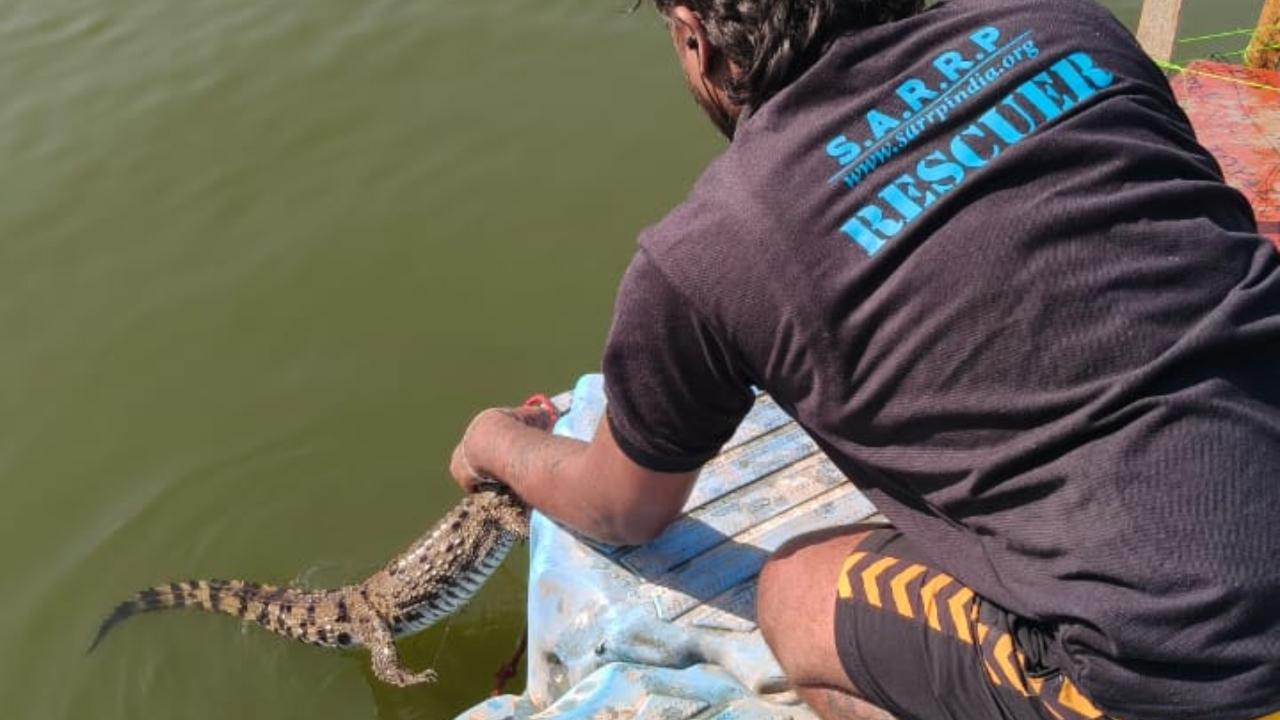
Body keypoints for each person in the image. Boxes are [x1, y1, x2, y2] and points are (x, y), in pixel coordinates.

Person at [448, 0, 1280, 718]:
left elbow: (620, 509)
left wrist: (494, 440)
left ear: (697, 41)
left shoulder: (706, 253)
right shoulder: (1069, 29)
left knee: (796, 596)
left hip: (1198, 673)